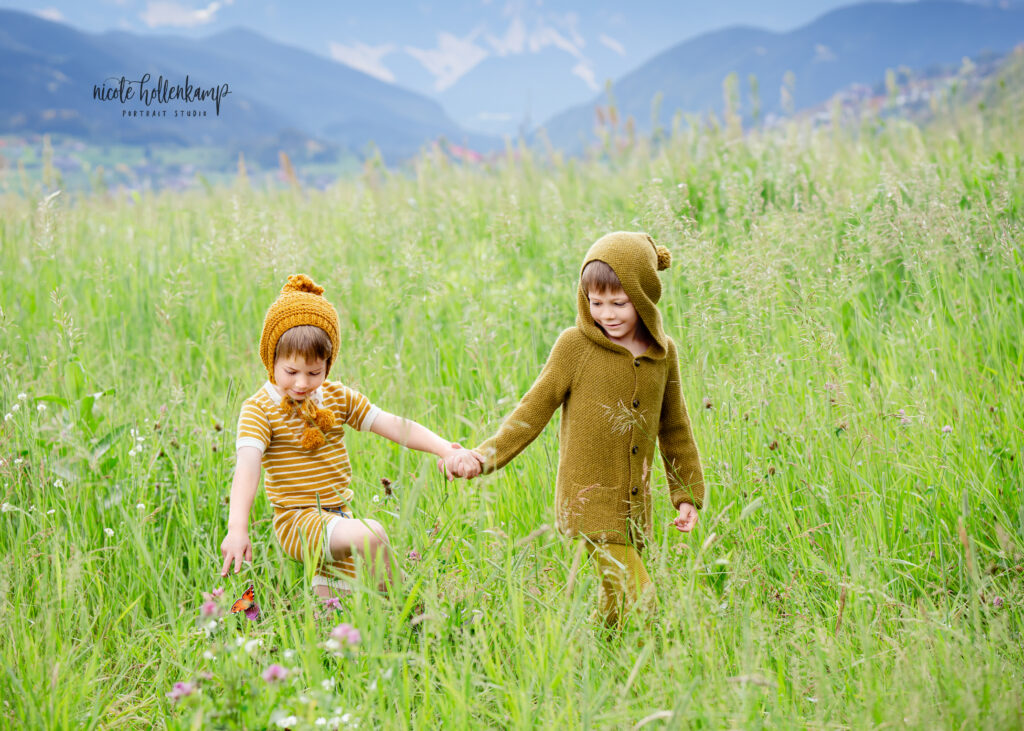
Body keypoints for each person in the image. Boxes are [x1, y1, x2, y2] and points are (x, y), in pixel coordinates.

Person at [449, 232, 705, 625]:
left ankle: (603, 659)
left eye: (619, 303)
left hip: (635, 506)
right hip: (588, 503)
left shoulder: (662, 353)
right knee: (642, 599)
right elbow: (532, 410)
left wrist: (686, 493)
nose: (607, 314)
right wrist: (483, 457)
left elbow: (675, 426)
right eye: (595, 302)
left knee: (617, 603)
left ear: (644, 296)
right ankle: (639, 674)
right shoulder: (575, 347)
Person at [219, 274, 482, 599]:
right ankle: (412, 606)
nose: (302, 383)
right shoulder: (259, 409)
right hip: (297, 520)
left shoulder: (336, 396)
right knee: (373, 534)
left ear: (328, 365)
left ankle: (360, 621)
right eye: (291, 372)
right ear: (271, 359)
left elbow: (394, 424)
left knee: (335, 611)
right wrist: (237, 528)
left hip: (338, 515)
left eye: (314, 372)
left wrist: (445, 449)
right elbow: (247, 468)